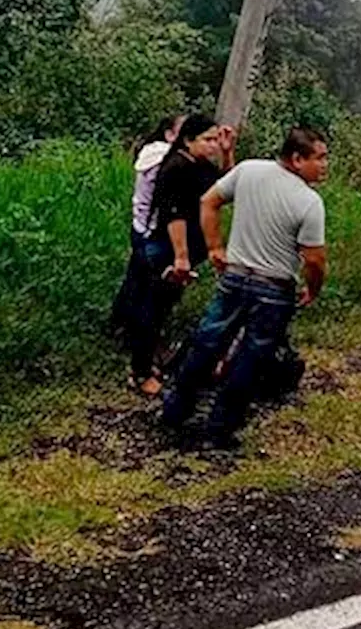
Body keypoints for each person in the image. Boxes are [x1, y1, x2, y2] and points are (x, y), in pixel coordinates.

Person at [161, 127, 330, 449]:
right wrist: (314, 289)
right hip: (274, 288)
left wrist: (215, 247)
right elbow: (314, 260)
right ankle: (218, 429)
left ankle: (175, 410)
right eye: (319, 158)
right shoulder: (309, 202)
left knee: (207, 343)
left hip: (235, 278)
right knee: (250, 359)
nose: (325, 165)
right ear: (297, 158)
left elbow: (209, 201)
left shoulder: (248, 169)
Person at [128, 114, 236, 396]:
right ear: (188, 140)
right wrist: (181, 257)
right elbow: (174, 215)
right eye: (208, 140)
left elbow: (225, 187)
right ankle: (139, 373)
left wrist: (227, 152)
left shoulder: (198, 165)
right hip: (168, 248)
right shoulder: (177, 168)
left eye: (215, 139)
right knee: (153, 308)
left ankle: (148, 363)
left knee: (162, 307)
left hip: (185, 249)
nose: (213, 145)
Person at [110, 115, 181, 347]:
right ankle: (136, 337)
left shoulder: (150, 154)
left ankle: (119, 327)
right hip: (154, 231)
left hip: (140, 226)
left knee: (135, 279)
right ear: (169, 134)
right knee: (151, 288)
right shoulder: (166, 161)